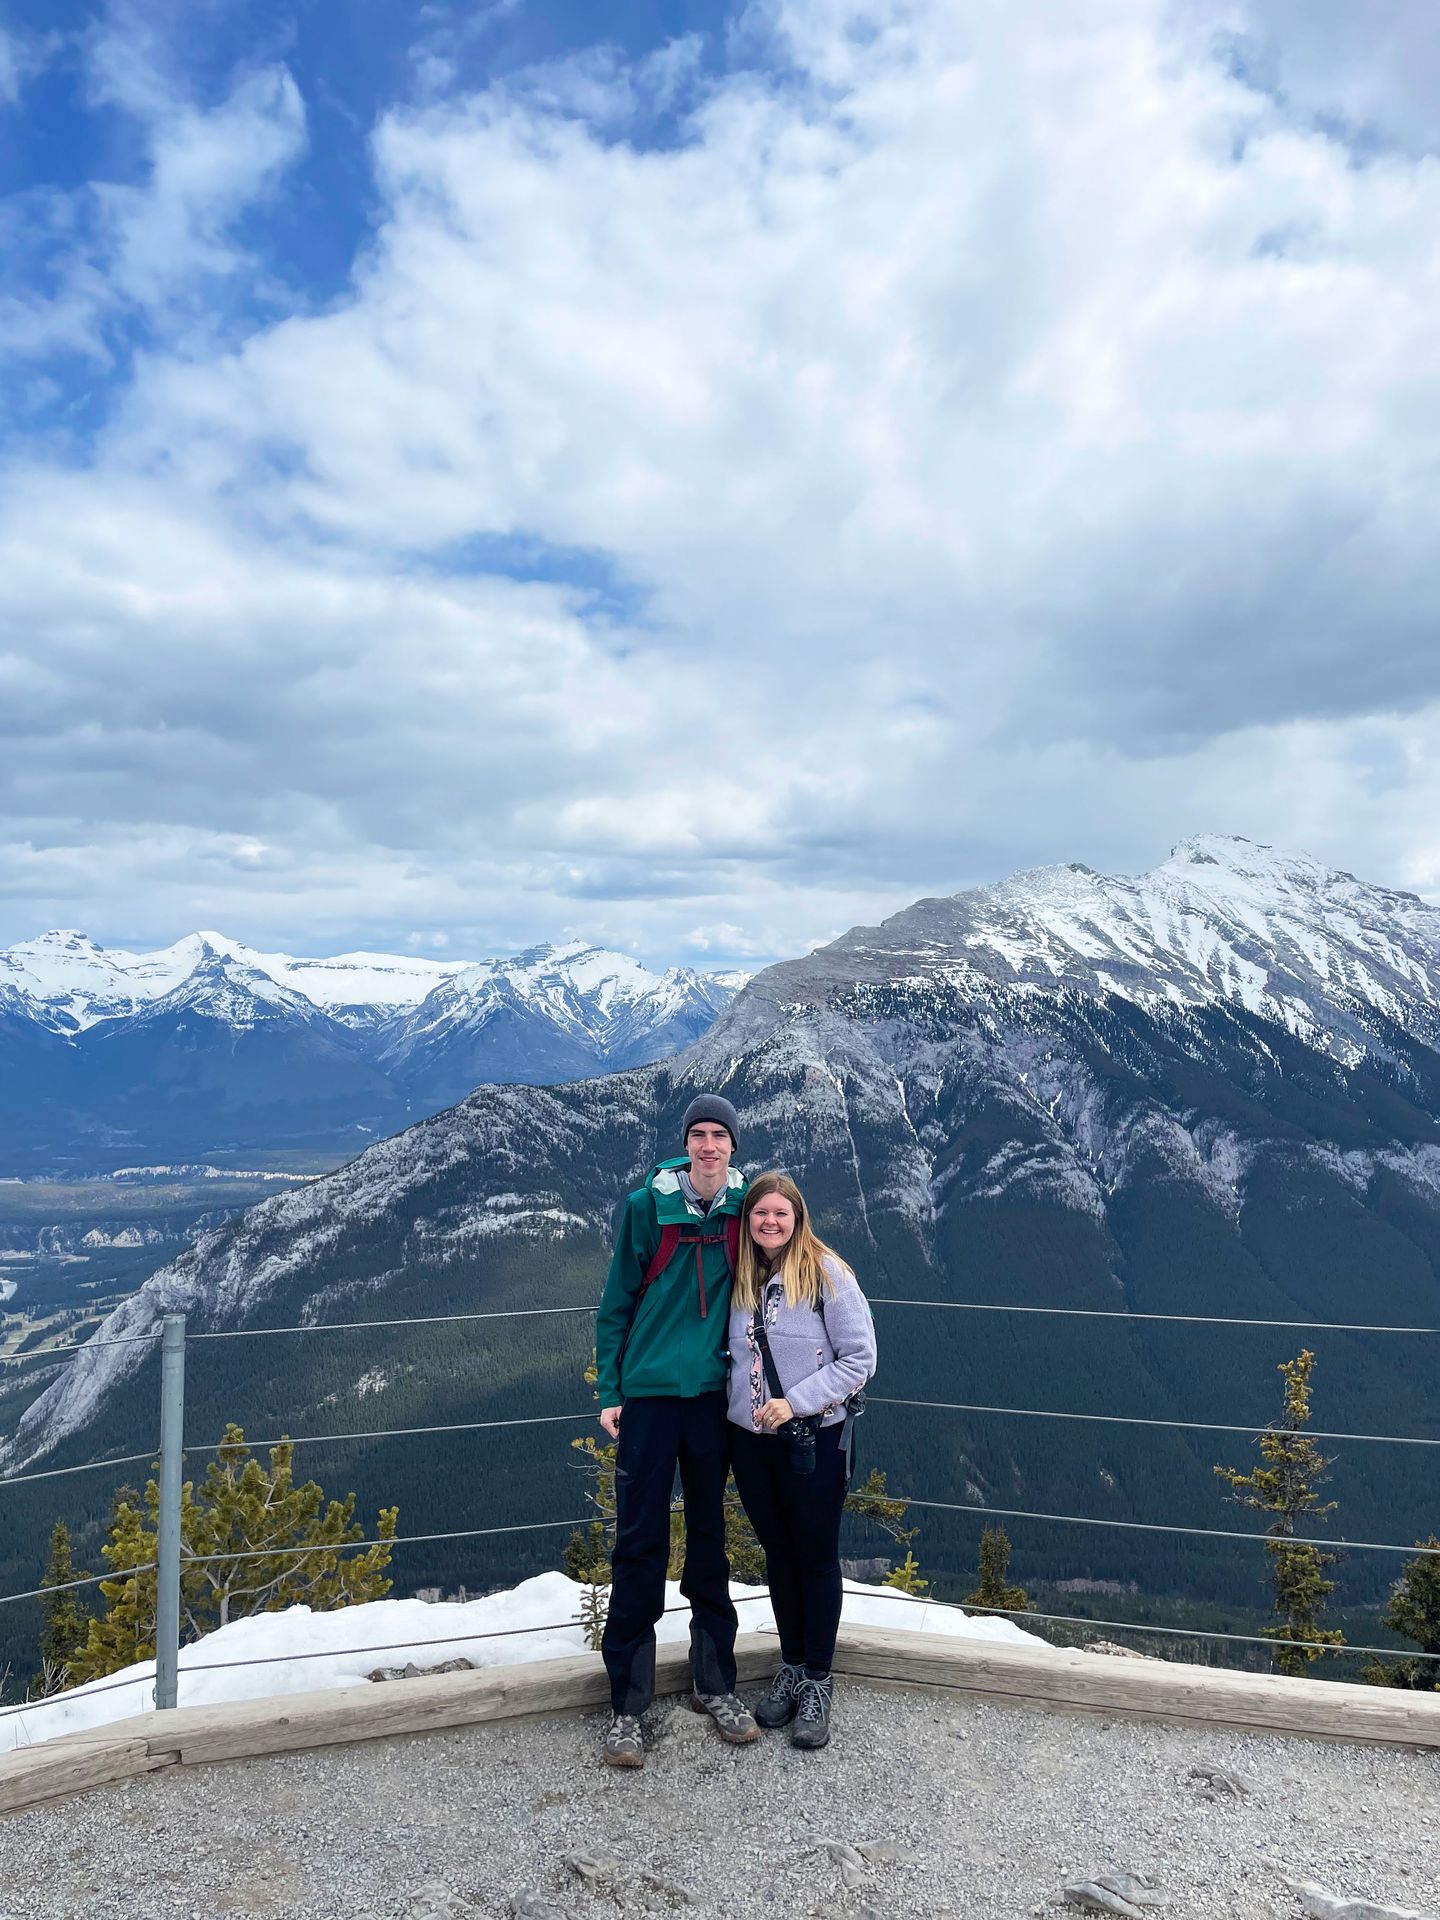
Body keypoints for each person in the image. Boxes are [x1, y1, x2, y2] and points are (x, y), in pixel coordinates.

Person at [592, 1093, 760, 1767]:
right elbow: (614, 1305)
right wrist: (611, 1389)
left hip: (712, 1400)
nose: (710, 1145)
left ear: (733, 1147)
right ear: (685, 1144)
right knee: (639, 1542)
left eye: (720, 1135)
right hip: (650, 1399)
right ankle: (627, 1707)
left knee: (711, 1544)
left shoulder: (748, 1212)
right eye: (700, 1135)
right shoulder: (645, 1210)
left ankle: (714, 1684)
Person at [727, 1171, 877, 1750]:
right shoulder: (741, 1277)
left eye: (780, 1214)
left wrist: (796, 1403)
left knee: (815, 1557)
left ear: (797, 1218)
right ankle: (789, 1667)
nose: (769, 1222)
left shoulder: (825, 1274)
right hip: (750, 1441)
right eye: (759, 1213)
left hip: (813, 1438)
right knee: (778, 1555)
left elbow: (860, 1358)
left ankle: (817, 1680)